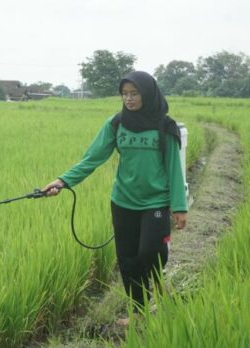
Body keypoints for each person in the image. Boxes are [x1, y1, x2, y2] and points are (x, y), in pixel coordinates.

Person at [43, 71, 188, 315]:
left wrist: (180, 207)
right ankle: (139, 311)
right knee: (128, 261)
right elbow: (91, 159)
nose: (128, 99)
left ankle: (159, 282)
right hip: (123, 201)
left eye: (134, 93)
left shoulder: (166, 127)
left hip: (155, 201)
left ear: (148, 94)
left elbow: (175, 169)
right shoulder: (117, 124)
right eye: (124, 94)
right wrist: (62, 181)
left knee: (149, 252)